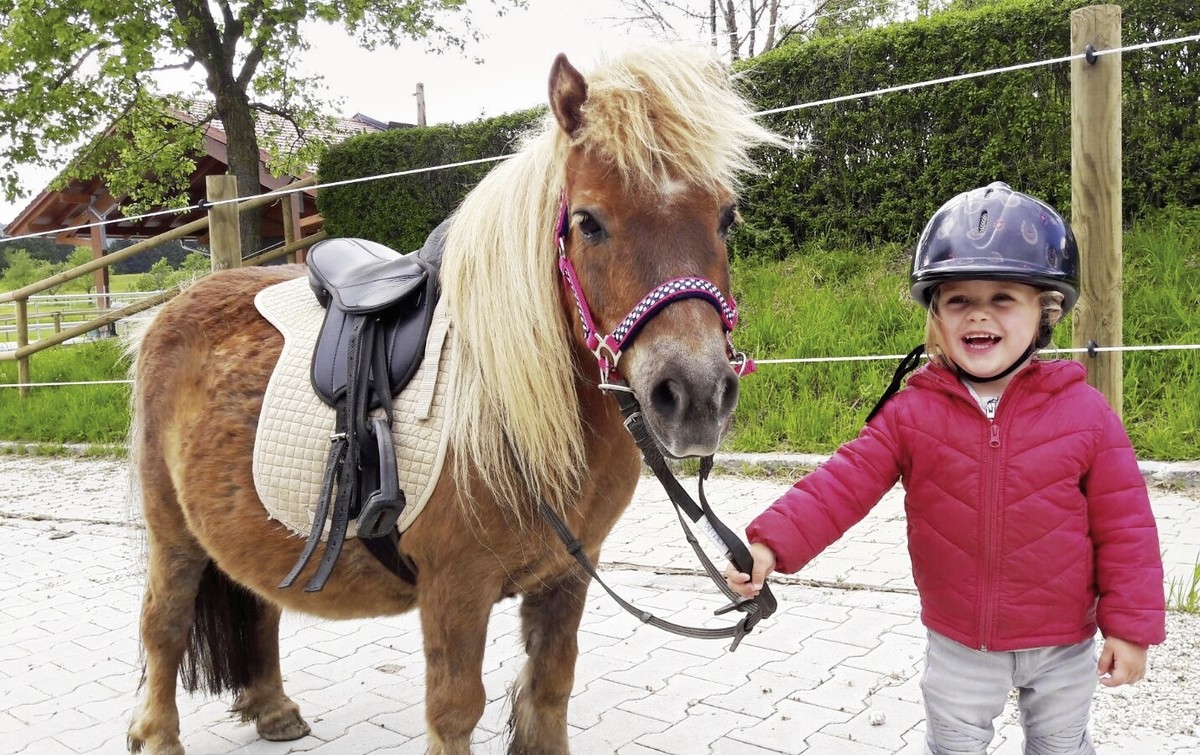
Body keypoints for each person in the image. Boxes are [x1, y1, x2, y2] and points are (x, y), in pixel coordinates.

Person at [726, 182, 1166, 754]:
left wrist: (1131, 630)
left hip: (1063, 643)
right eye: (958, 300)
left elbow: (1126, 526)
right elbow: (843, 482)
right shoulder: (913, 411)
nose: (979, 312)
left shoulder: (1085, 412)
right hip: (959, 643)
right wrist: (768, 545)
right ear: (935, 315)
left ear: (1047, 310)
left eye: (1004, 297)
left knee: (1062, 747)